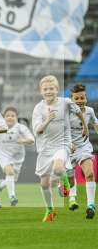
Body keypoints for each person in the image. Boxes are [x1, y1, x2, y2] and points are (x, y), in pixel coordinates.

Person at [32, 75, 88, 222]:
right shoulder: (38, 108)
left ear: (57, 90)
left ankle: (65, 184)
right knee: (44, 183)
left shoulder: (66, 103)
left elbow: (79, 112)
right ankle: (50, 210)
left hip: (63, 144)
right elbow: (37, 130)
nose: (48, 91)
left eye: (51, 88)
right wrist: (48, 120)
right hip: (45, 148)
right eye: (45, 89)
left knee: (58, 168)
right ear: (41, 91)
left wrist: (85, 127)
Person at [67, 83, 98, 218]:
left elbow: (95, 123)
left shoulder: (90, 111)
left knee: (90, 173)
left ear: (85, 97)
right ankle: (71, 197)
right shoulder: (66, 112)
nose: (80, 101)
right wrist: (69, 143)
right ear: (71, 99)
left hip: (83, 148)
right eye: (77, 98)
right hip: (68, 148)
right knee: (69, 177)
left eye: (82, 98)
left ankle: (91, 205)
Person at [0, 107, 34, 206]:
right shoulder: (1, 128)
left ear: (16, 117)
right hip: (3, 155)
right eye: (7, 116)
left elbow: (32, 140)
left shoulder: (21, 128)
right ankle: (12, 197)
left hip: (18, 158)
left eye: (12, 116)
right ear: (3, 117)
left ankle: (0, 185)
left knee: (11, 179)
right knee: (10, 172)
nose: (10, 118)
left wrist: (23, 141)